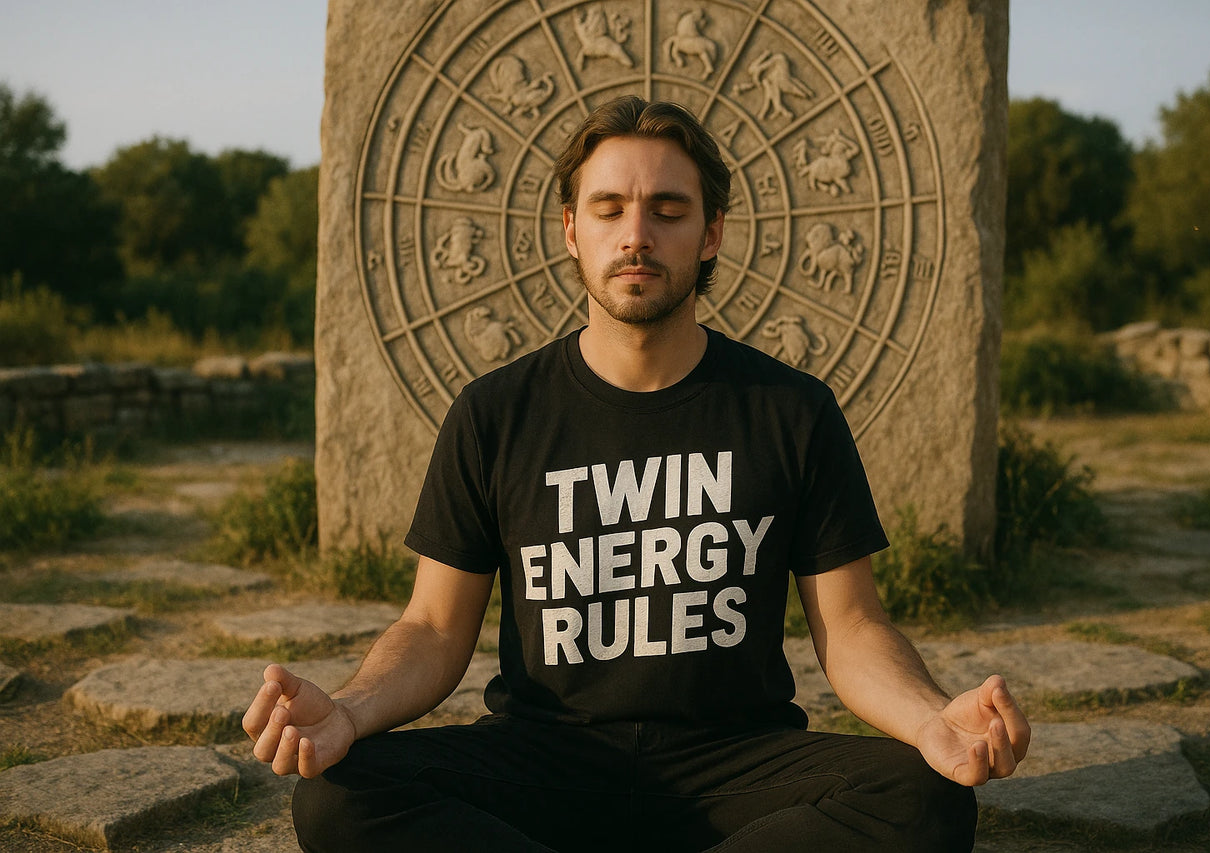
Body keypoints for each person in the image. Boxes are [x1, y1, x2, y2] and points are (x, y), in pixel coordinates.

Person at [243, 95, 1029, 852]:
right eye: (609, 207)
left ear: (712, 232)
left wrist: (931, 718)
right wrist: (346, 710)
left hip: (736, 762)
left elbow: (853, 627)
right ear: (570, 230)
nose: (637, 235)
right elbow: (434, 629)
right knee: (338, 795)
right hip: (546, 760)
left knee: (926, 798)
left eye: (669, 210)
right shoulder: (495, 412)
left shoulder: (791, 411)